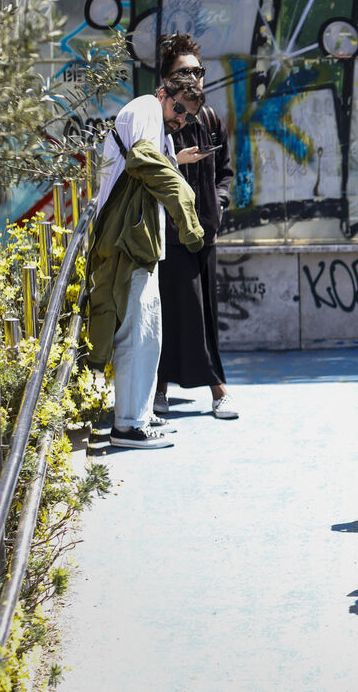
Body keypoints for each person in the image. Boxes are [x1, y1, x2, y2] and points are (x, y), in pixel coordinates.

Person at [86, 74, 206, 448]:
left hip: (137, 239)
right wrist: (187, 213)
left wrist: (172, 158)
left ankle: (137, 414)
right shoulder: (146, 108)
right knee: (137, 333)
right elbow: (141, 158)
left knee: (147, 331)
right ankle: (128, 425)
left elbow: (146, 161)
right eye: (180, 109)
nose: (181, 119)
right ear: (163, 94)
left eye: (188, 117)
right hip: (125, 240)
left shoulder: (155, 118)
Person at [153, 33, 238, 420]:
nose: (194, 78)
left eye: (199, 71)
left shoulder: (208, 118)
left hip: (206, 231)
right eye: (184, 72)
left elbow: (225, 173)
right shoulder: (157, 120)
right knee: (176, 308)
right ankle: (213, 388)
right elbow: (142, 168)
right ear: (167, 82)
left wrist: (218, 205)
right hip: (169, 233)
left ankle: (166, 388)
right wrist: (175, 160)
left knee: (201, 310)